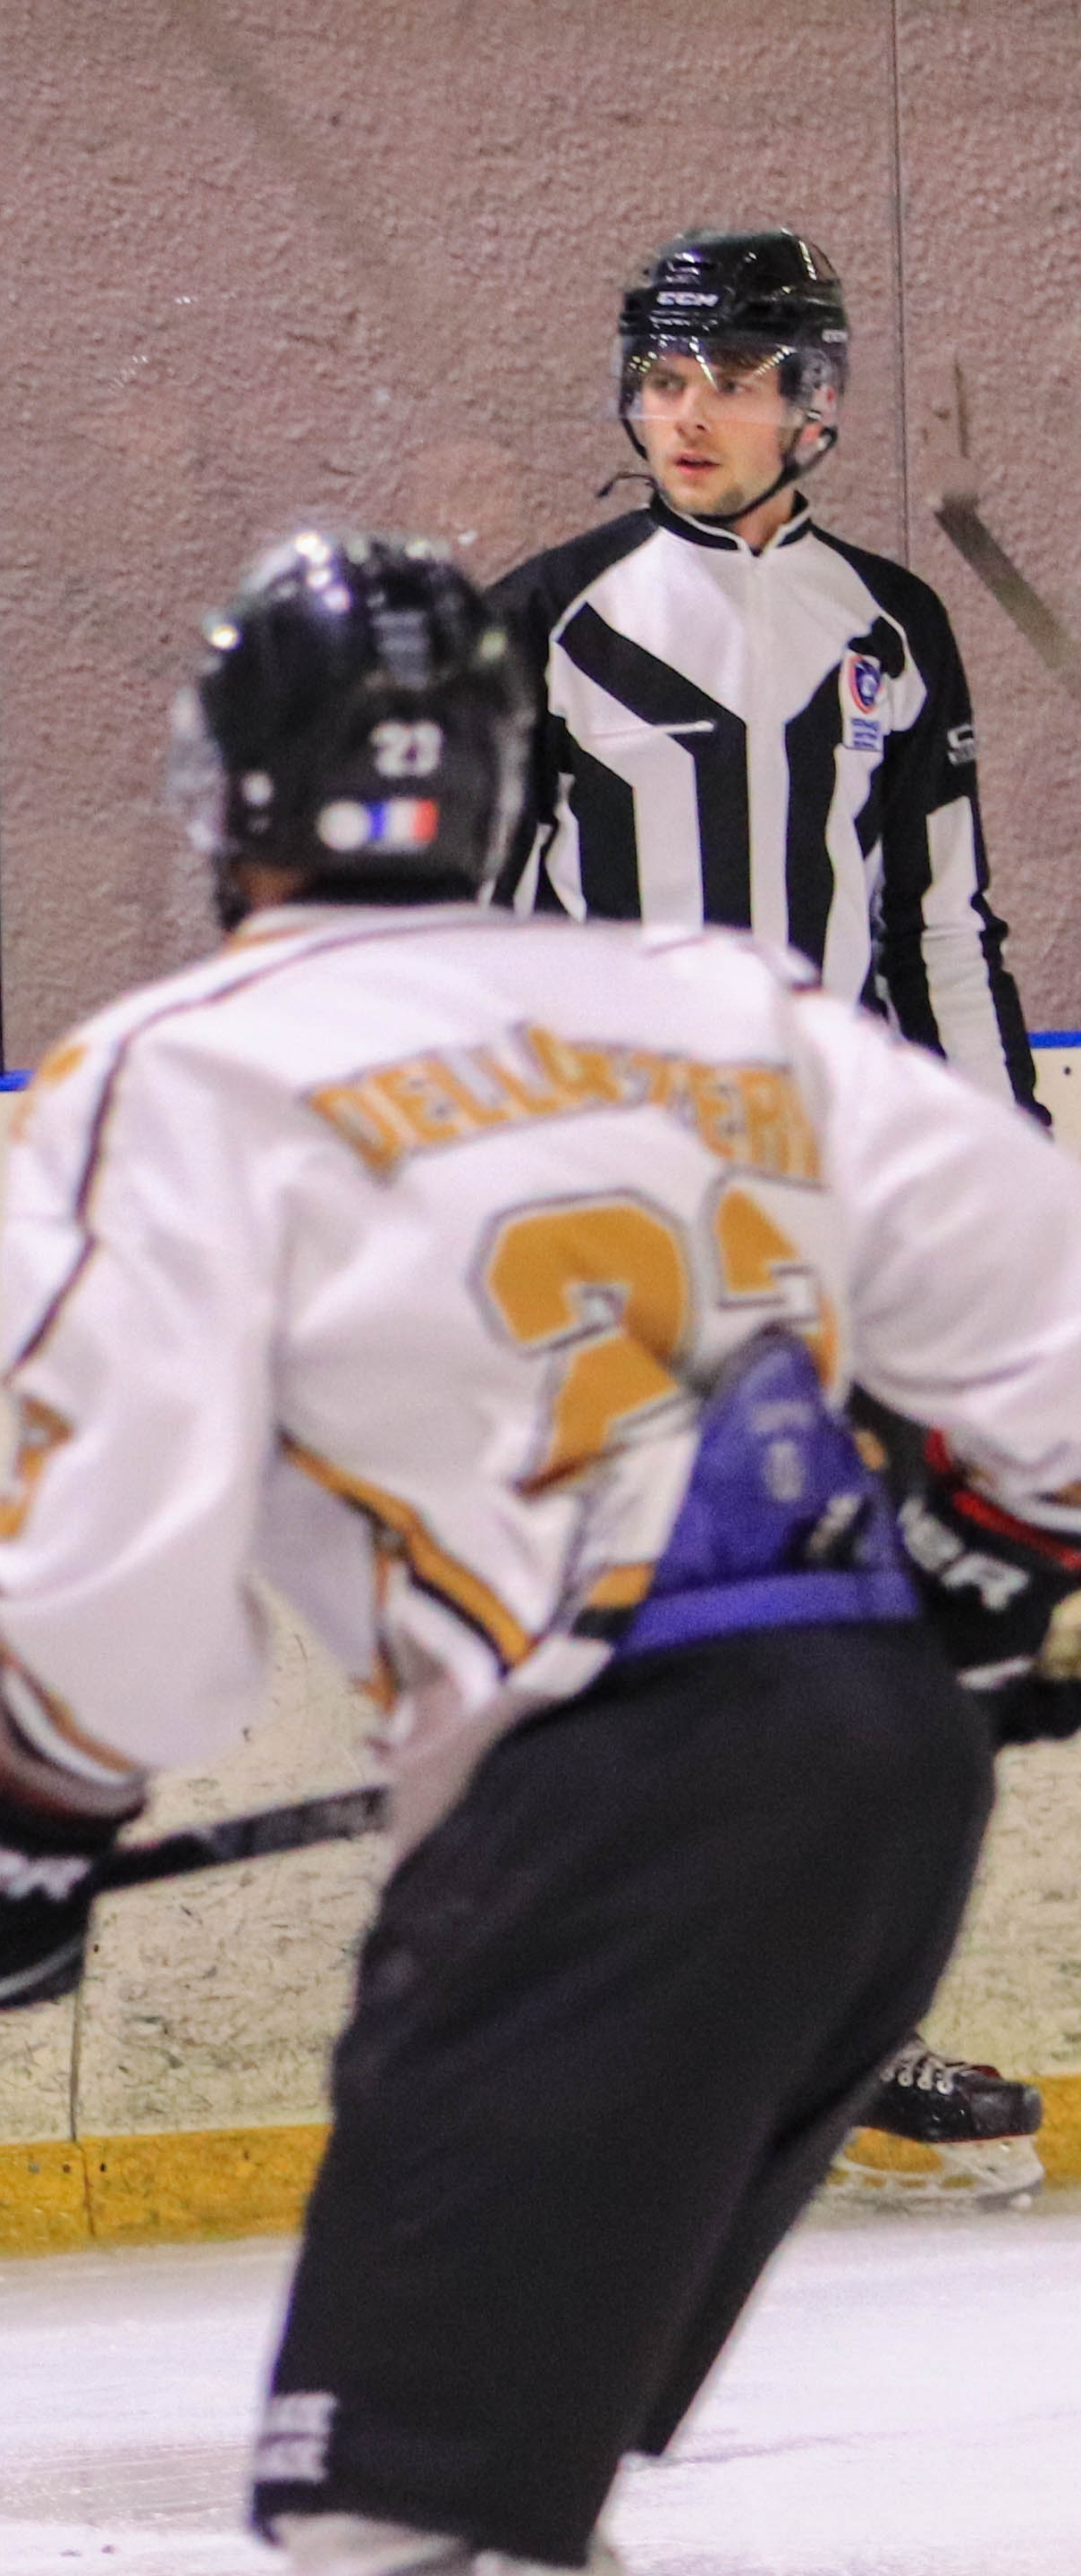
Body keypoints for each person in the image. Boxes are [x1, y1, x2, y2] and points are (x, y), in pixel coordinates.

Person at [0, 529, 1081, 2576]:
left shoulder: (183, 1068)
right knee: (493, 2456)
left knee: (394, 2466)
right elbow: (1057, 1366)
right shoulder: (722, 1005)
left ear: (227, 795)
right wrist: (989, 1579)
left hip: (603, 1803)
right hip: (877, 1781)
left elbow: (122, 1601)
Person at [493, 224, 1054, 2203]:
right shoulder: (544, 621)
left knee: (848, 1650)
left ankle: (829, 2030)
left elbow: (944, 931)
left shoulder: (892, 626)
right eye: (664, 378)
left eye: (732, 380)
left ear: (812, 402)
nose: (690, 414)